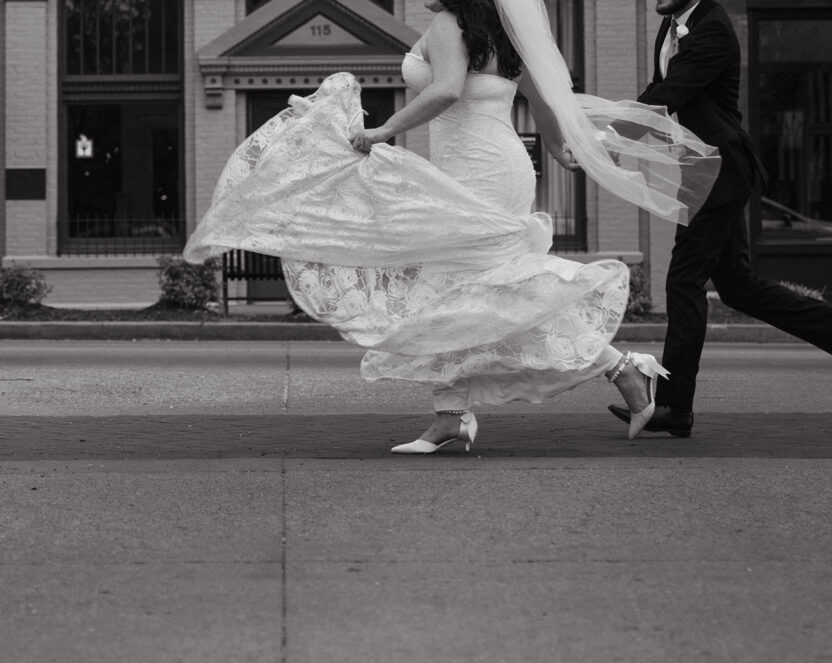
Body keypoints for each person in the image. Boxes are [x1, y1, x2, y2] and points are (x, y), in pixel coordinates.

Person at [184, 0, 721, 452]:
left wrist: (383, 131)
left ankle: (623, 369)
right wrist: (557, 146)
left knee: (482, 289)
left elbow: (443, 91)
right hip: (499, 163)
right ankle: (451, 413)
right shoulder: (499, 32)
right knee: (452, 289)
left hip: (474, 169)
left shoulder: (449, 26)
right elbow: (538, 95)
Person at [608, 0, 832, 438]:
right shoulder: (670, 26)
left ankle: (676, 406)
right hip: (703, 171)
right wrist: (617, 131)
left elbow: (668, 97)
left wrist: (608, 136)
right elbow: (658, 91)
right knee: (738, 287)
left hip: (722, 170)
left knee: (683, 281)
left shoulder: (712, 27)